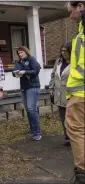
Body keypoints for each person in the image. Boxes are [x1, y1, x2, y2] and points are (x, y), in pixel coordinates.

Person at [65, 2, 85, 183]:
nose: (68, 12)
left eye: (69, 8)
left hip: (80, 93)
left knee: (77, 130)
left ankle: (82, 173)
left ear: (80, 6)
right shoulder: (81, 30)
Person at [12, 46, 42, 141]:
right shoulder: (18, 62)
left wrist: (25, 72)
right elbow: (14, 72)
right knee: (28, 110)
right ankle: (33, 130)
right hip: (24, 88)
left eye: (21, 52)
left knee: (31, 108)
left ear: (26, 52)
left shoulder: (31, 59)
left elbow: (36, 70)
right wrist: (16, 72)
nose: (20, 54)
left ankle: (37, 132)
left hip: (33, 86)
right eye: (19, 53)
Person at [49, 42, 72, 147]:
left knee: (72, 118)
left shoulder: (75, 62)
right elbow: (53, 75)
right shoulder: (58, 62)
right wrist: (51, 88)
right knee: (63, 118)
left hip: (70, 94)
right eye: (62, 51)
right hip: (58, 93)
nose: (63, 53)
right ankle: (67, 138)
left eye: (65, 51)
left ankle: (75, 138)